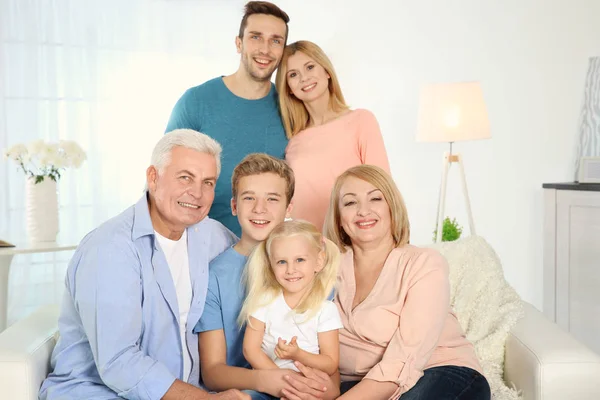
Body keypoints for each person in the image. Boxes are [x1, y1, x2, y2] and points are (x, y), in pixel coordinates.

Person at [39, 129, 249, 400]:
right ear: (153, 178)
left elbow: (261, 276)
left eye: (208, 182)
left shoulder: (212, 236)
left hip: (182, 392)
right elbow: (118, 362)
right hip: (97, 392)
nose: (196, 192)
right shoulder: (110, 249)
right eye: (185, 177)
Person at [319, 164, 490, 400]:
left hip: (438, 372)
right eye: (350, 203)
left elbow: (406, 358)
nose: (363, 211)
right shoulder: (324, 269)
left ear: (392, 208)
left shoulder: (424, 263)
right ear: (338, 219)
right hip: (359, 385)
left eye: (375, 198)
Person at [165, 1, 291, 237]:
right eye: (255, 37)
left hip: (267, 254)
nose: (265, 49)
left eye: (276, 40)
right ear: (238, 43)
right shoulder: (197, 101)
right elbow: (165, 179)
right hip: (198, 249)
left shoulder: (290, 108)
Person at [194, 153, 296, 398]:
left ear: (289, 208)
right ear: (234, 206)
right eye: (249, 198)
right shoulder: (214, 276)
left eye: (272, 199)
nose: (259, 209)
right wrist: (266, 380)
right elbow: (212, 371)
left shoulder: (308, 267)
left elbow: (328, 354)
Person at [275, 40, 391, 230]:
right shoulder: (292, 143)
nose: (304, 78)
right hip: (312, 248)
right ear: (288, 87)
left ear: (327, 71)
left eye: (310, 67)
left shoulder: (361, 121)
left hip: (357, 240)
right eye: (293, 75)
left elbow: (384, 189)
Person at [239, 220, 343, 399]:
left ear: (319, 261)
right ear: (271, 265)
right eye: (281, 262)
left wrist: (299, 355)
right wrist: (281, 378)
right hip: (268, 386)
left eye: (300, 260)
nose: (291, 270)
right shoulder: (264, 301)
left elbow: (330, 363)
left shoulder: (326, 310)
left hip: (307, 388)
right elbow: (250, 349)